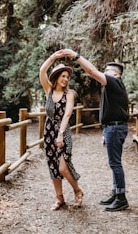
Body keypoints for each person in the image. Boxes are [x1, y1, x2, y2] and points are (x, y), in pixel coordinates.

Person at [62, 48, 129, 212]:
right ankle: (116, 193)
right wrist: (105, 131)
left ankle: (121, 198)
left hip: (115, 128)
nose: (103, 74)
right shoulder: (113, 87)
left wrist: (76, 56)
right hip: (112, 128)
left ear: (115, 74)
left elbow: (92, 71)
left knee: (115, 163)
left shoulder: (114, 82)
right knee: (114, 163)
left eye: (106, 72)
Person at [39, 50, 83, 210]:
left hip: (62, 132)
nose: (65, 79)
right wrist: (54, 57)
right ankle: (60, 199)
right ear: (56, 77)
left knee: (63, 167)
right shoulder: (49, 91)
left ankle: (78, 191)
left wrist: (60, 134)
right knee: (52, 165)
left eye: (67, 77)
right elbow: (42, 71)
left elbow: (67, 114)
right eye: (63, 76)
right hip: (48, 132)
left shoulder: (69, 94)